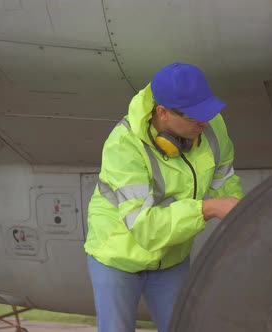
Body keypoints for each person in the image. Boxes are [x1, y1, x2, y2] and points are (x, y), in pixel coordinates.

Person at [84, 62, 244, 331]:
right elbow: (146, 228)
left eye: (206, 111)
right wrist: (207, 209)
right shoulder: (123, 146)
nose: (204, 121)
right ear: (163, 113)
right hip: (118, 259)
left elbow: (224, 181)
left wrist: (240, 213)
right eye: (194, 116)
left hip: (172, 259)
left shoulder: (211, 126)